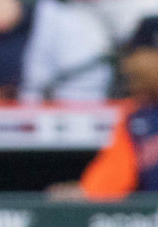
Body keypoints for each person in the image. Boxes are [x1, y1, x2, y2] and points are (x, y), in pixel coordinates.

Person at [63, 15, 158, 199]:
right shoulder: (135, 117)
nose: (129, 67)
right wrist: (82, 194)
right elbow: (111, 180)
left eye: (137, 56)